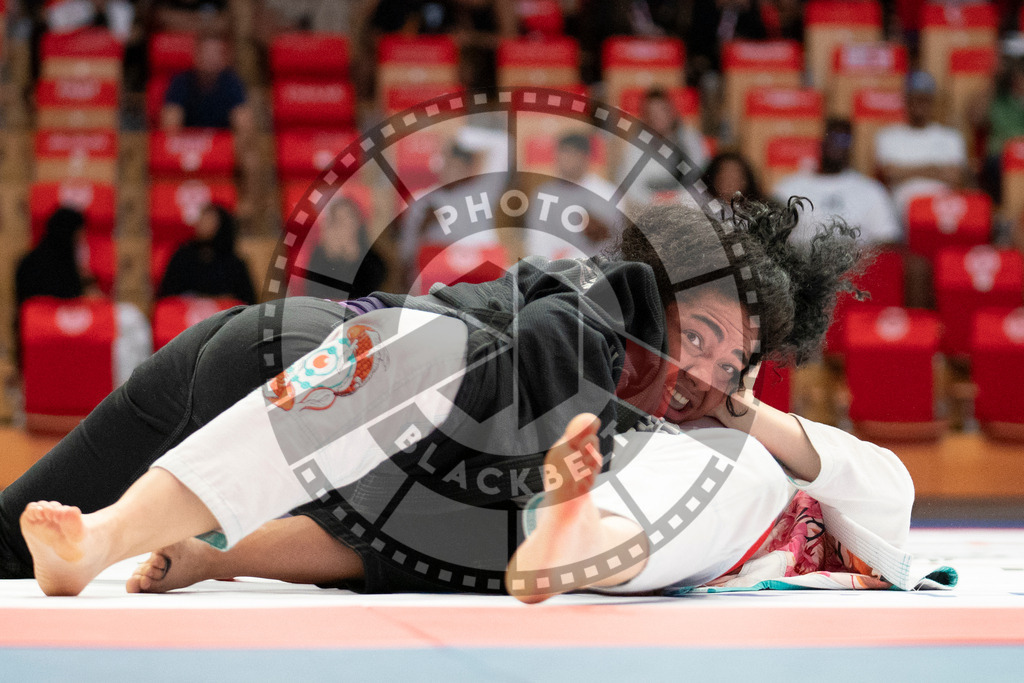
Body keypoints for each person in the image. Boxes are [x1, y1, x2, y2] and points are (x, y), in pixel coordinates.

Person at [0, 199, 875, 600]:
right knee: (502, 519)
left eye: (735, 360)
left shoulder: (633, 374)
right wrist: (573, 466)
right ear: (662, 292)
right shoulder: (603, 311)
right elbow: (552, 347)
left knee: (9, 539)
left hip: (247, 352)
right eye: (701, 335)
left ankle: (103, 541)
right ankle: (105, 540)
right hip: (315, 363)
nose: (710, 370)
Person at [15, 207, 152, 386]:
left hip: (50, 337)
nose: (82, 241)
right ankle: (132, 387)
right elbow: (61, 301)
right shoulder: (49, 265)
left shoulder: (30, 261)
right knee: (131, 318)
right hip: (56, 334)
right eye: (79, 236)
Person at [773, 119, 902, 246]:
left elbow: (888, 240)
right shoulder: (789, 188)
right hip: (802, 257)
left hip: (857, 257)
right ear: (822, 141)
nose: (837, 144)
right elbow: (772, 236)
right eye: (833, 137)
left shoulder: (870, 190)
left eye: (844, 140)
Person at [874, 71, 969, 215]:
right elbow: (890, 174)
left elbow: (955, 177)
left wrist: (906, 171)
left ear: (932, 101)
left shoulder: (951, 137)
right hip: (902, 210)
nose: (919, 105)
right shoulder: (888, 136)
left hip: (943, 213)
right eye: (915, 99)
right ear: (906, 100)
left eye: (924, 99)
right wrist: (933, 169)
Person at [524, 133, 619, 260]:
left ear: (585, 158)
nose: (564, 161)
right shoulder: (543, 193)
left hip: (594, 265)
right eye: (561, 154)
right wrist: (549, 261)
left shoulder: (604, 193)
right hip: (551, 264)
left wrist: (571, 259)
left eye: (570, 155)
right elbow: (536, 238)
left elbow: (608, 245)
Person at [617, 89, 710, 211]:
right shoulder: (635, 146)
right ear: (644, 117)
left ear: (672, 112)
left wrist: (676, 200)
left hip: (687, 208)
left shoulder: (690, 139)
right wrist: (657, 202)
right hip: (649, 210)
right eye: (651, 112)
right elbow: (630, 189)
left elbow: (701, 178)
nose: (657, 117)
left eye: (662, 110)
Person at [157, 203, 256, 305]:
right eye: (202, 220)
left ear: (221, 225)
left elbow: (247, 302)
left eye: (209, 221)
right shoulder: (182, 257)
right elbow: (166, 297)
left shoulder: (234, 264)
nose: (202, 225)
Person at [296, 196, 388, 301]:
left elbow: (376, 289)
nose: (347, 225)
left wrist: (353, 255)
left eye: (350, 218)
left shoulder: (371, 257)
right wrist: (331, 256)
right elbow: (315, 292)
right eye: (340, 221)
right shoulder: (319, 257)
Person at [160, 34, 253, 135]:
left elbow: (245, 126)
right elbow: (170, 126)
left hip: (222, 142)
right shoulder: (180, 83)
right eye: (206, 53)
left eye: (216, 54)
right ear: (196, 56)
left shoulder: (232, 83)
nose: (211, 59)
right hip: (188, 142)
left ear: (224, 59)